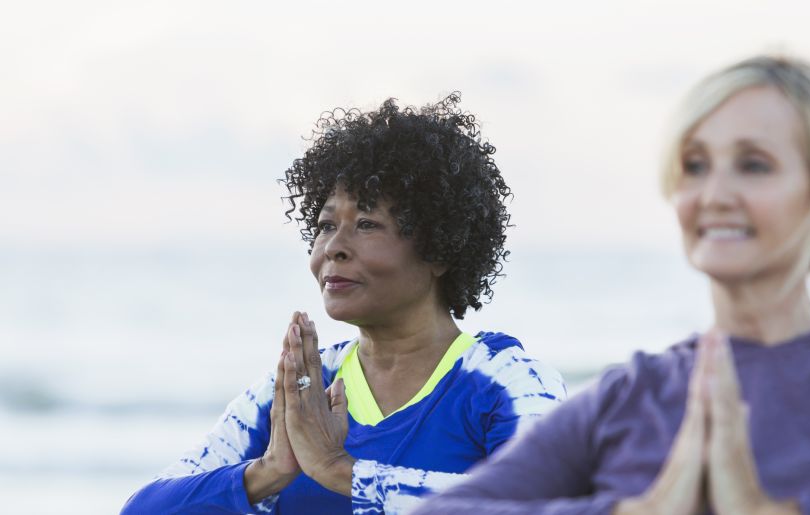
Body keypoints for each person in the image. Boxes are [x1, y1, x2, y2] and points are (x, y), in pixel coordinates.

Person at [414, 57, 810, 515]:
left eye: (754, 165)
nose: (715, 194)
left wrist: (775, 511)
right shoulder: (630, 394)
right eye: (695, 166)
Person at [121, 93, 566, 515]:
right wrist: (268, 471)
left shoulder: (506, 381)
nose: (333, 246)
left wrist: (341, 471)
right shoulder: (299, 394)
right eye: (326, 224)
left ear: (440, 250)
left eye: (368, 224)